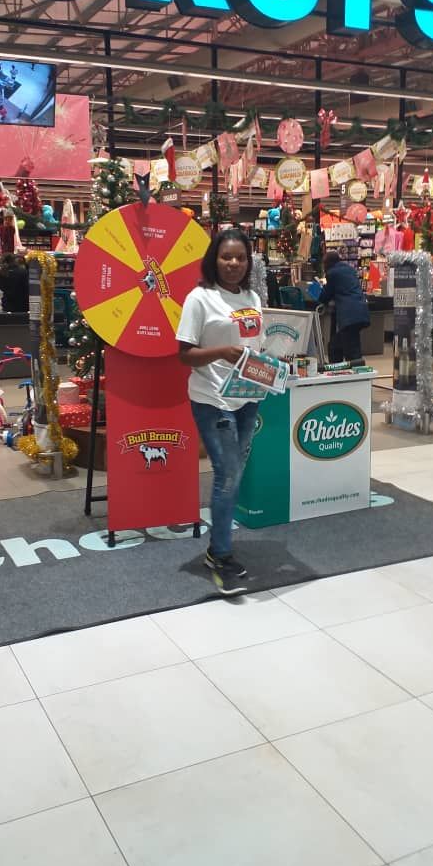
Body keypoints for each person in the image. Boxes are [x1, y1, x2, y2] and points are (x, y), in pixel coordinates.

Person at [177, 230, 263, 596]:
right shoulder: (199, 298)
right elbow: (184, 354)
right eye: (227, 256)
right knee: (227, 475)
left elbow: (254, 349)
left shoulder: (252, 297)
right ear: (214, 259)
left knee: (235, 472)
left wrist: (271, 371)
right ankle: (219, 553)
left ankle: (221, 545)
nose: (233, 263)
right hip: (212, 399)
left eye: (241, 258)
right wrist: (222, 352)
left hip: (248, 398)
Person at [319, 250, 370, 363]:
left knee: (351, 351)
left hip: (348, 316)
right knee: (337, 345)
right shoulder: (350, 270)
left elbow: (325, 296)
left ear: (328, 263)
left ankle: (355, 370)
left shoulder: (332, 273)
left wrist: (318, 291)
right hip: (360, 311)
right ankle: (339, 368)